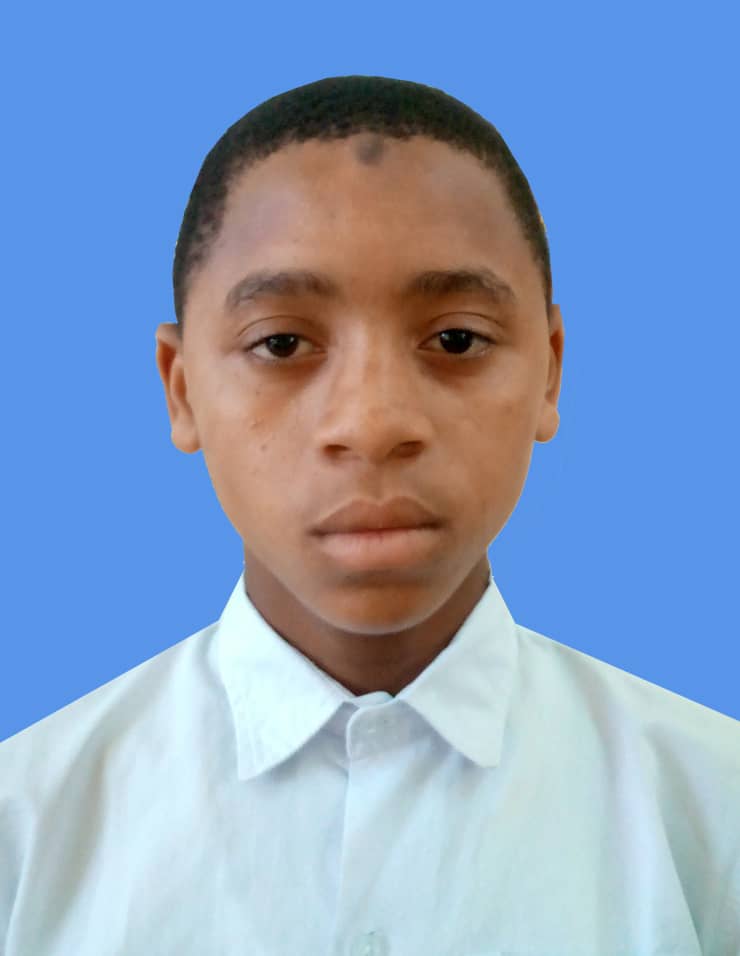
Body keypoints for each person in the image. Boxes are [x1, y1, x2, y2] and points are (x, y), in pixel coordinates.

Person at [1, 74, 737, 955]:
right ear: (182, 388)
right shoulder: (25, 832)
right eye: (282, 343)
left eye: (456, 339)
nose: (373, 422)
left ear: (549, 369)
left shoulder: (714, 814)